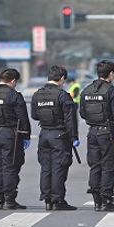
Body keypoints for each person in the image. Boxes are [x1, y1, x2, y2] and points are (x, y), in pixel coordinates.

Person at [0, 68, 31, 210]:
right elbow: (23, 118)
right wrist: (26, 136)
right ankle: (9, 200)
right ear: (13, 81)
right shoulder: (14, 95)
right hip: (10, 134)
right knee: (10, 166)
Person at [79, 60, 114, 212]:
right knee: (109, 166)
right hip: (108, 133)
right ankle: (106, 200)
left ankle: (97, 201)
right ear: (111, 74)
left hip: (92, 132)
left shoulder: (86, 90)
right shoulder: (112, 91)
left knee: (95, 165)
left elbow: (82, 113)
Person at [31, 65, 79, 211]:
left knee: (46, 167)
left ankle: (47, 199)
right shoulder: (63, 95)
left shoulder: (37, 94)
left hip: (44, 134)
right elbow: (70, 119)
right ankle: (58, 200)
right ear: (62, 78)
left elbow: (34, 115)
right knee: (59, 167)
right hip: (59, 135)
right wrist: (74, 137)